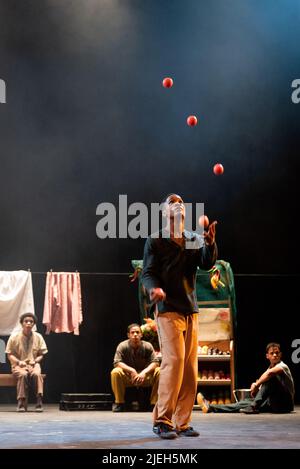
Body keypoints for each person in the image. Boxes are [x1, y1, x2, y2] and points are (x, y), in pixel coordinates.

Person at [141, 193, 217, 439]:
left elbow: (206, 263)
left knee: (189, 369)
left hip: (189, 308)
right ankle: (162, 420)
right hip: (168, 309)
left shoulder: (193, 239)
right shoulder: (156, 240)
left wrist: (210, 244)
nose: (178, 204)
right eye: (172, 202)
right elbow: (148, 272)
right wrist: (154, 289)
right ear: (163, 211)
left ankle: (182, 422)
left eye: (181, 202)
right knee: (173, 363)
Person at [198, 342, 295, 414]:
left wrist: (257, 384)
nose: (275, 355)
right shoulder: (269, 369)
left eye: (277, 353)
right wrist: (256, 386)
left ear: (280, 354)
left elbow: (269, 374)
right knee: (243, 403)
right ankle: (211, 407)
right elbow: (264, 386)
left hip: (285, 405)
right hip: (273, 404)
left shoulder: (283, 366)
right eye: (272, 353)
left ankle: (253, 407)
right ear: (267, 356)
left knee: (270, 378)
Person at [111, 323, 160, 412]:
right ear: (128, 335)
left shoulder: (147, 345)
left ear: (141, 334)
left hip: (145, 377)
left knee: (159, 371)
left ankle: (154, 404)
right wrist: (131, 370)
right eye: (132, 332)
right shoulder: (122, 346)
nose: (135, 335)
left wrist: (144, 373)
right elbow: (117, 362)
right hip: (129, 377)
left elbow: (155, 362)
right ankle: (119, 403)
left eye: (137, 332)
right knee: (115, 372)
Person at [5, 312, 48, 412]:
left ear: (34, 324)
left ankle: (39, 401)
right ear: (22, 323)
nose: (28, 323)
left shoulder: (38, 337)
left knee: (37, 374)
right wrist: (19, 362)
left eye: (31, 322)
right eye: (26, 321)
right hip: (18, 365)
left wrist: (35, 360)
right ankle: (21, 401)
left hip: (34, 364)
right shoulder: (14, 337)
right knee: (23, 374)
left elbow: (42, 354)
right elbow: (9, 354)